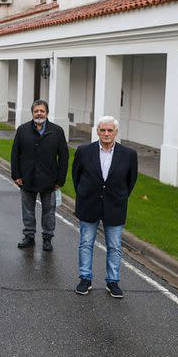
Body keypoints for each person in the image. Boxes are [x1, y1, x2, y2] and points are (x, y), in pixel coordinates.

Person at [72, 116, 138, 298]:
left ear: (116, 132)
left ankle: (112, 281)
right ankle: (85, 278)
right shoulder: (84, 151)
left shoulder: (129, 154)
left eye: (110, 130)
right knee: (86, 243)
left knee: (115, 246)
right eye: (103, 130)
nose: (106, 134)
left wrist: (119, 196)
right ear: (97, 132)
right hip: (89, 204)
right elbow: (76, 176)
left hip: (115, 205)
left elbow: (130, 181)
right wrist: (85, 194)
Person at [11, 100, 69, 251]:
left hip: (49, 180)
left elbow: (64, 157)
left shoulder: (57, 131)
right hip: (26, 178)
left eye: (42, 111)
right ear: (32, 113)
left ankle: (47, 238)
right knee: (28, 210)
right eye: (36, 111)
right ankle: (29, 236)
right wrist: (16, 175)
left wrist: (60, 180)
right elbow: (15, 154)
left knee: (49, 211)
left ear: (47, 113)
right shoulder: (23, 130)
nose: (39, 113)